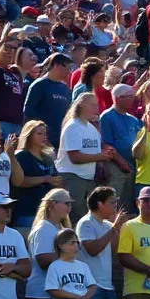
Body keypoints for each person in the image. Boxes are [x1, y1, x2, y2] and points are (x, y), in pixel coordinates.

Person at [56, 93, 117, 224]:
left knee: (86, 218)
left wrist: (105, 154)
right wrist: (100, 156)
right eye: (93, 105)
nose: (97, 108)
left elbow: (93, 152)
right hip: (73, 177)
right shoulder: (72, 126)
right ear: (82, 105)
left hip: (89, 178)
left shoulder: (92, 129)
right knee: (73, 218)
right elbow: (75, 157)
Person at [10, 120, 60, 229]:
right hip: (27, 213)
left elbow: (53, 178)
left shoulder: (47, 158)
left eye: (45, 134)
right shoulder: (21, 156)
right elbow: (19, 182)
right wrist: (44, 179)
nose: (44, 136)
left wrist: (57, 182)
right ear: (28, 135)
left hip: (47, 213)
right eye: (39, 133)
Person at [98, 83, 139, 209]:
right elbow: (105, 144)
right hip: (115, 166)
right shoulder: (107, 116)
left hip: (132, 166)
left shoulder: (133, 120)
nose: (132, 99)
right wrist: (121, 162)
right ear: (117, 98)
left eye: (132, 96)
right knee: (114, 202)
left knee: (128, 205)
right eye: (128, 96)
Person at [23, 52, 73, 146]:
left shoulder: (65, 89)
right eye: (66, 67)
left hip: (60, 141)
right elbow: (28, 112)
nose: (69, 71)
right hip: (42, 141)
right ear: (56, 65)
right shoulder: (39, 85)